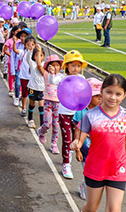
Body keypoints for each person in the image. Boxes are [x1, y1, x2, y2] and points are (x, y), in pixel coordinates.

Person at [72, 74, 126, 212]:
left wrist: (123, 162)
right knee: (91, 207)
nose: (113, 97)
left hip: (117, 169)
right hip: (95, 167)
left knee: (114, 210)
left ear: (124, 95)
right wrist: (76, 144)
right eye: (109, 92)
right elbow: (80, 138)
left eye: (118, 94)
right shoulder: (90, 115)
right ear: (102, 92)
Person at [73, 78, 103, 200]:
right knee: (88, 172)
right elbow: (76, 130)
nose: (100, 98)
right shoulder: (81, 111)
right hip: (85, 149)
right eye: (96, 96)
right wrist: (78, 150)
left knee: (96, 172)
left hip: (97, 150)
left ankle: (84, 186)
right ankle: (84, 188)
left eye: (101, 95)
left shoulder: (102, 112)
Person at [59, 50, 87, 180]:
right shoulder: (63, 80)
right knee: (66, 138)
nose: (76, 69)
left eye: (78, 66)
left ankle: (69, 153)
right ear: (67, 67)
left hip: (78, 113)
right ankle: (66, 164)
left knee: (76, 138)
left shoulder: (83, 80)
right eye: (73, 65)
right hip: (65, 112)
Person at [38, 54, 63, 153]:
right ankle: (41, 131)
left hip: (58, 103)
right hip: (48, 101)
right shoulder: (46, 74)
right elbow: (39, 65)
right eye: (53, 65)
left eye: (57, 65)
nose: (55, 67)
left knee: (56, 124)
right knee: (47, 123)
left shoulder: (61, 76)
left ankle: (54, 144)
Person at [26, 36, 46, 129]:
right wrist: (30, 50)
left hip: (42, 88)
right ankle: (30, 119)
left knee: (41, 106)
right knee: (32, 104)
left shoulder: (45, 65)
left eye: (41, 55)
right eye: (37, 55)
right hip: (33, 87)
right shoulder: (32, 64)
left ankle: (42, 124)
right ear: (34, 56)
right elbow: (28, 58)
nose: (39, 57)